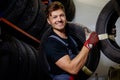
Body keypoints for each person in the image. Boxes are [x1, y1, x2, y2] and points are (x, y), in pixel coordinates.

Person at [42, 1, 99, 80]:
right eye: (55, 17)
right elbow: (73, 69)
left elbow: (83, 53)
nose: (59, 19)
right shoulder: (51, 44)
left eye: (62, 15)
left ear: (65, 17)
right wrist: (88, 44)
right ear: (49, 21)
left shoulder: (70, 38)